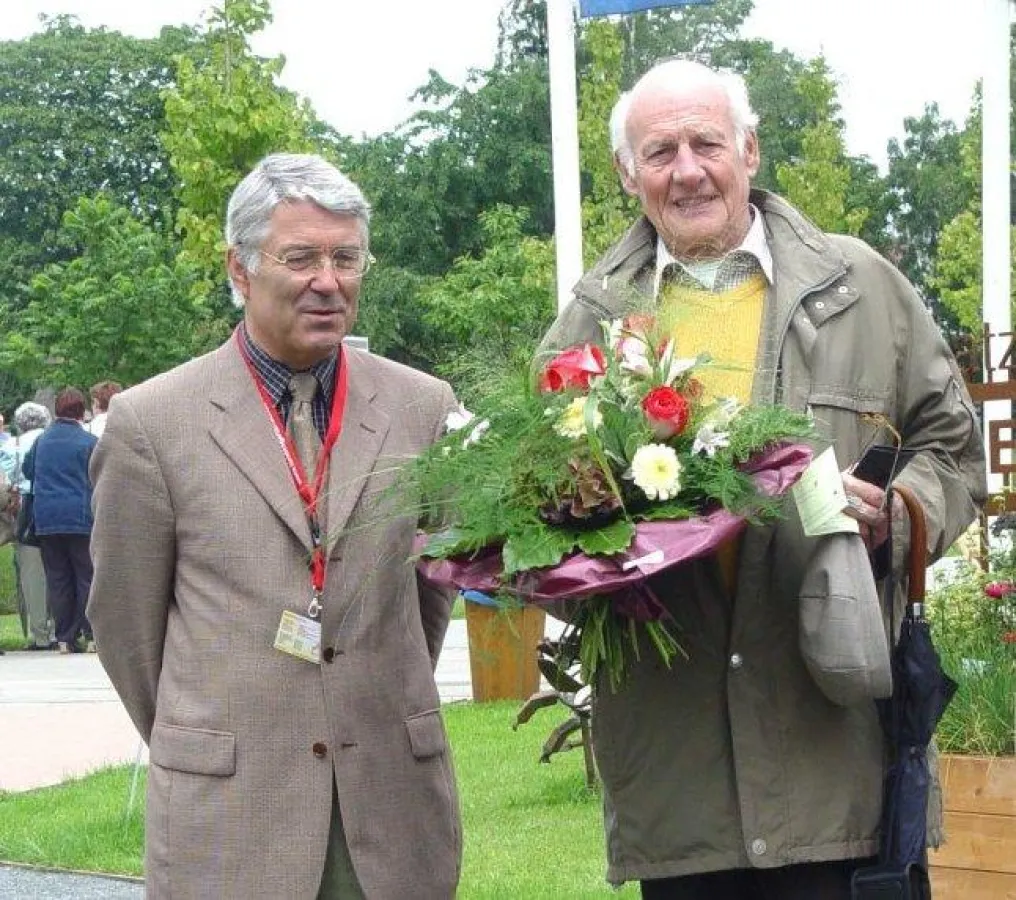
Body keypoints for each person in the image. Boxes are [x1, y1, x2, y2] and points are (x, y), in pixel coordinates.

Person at [538, 60, 986, 900]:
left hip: (838, 751)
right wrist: (580, 545)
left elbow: (955, 448)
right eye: (660, 151)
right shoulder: (587, 328)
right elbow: (538, 530)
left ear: (749, 150)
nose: (687, 169)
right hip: (683, 781)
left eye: (707, 142)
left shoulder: (860, 288)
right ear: (629, 176)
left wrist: (901, 512)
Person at [87, 153, 462, 899]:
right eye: (301, 257)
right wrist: (217, 730)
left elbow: (433, 590)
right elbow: (127, 629)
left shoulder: (422, 407)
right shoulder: (152, 423)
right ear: (241, 266)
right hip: (231, 817)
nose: (329, 280)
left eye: (346, 257)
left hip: (390, 808)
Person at [23, 388, 97, 654]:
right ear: (81, 412)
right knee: (86, 575)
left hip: (47, 518)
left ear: (57, 410)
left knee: (58, 578)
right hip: (80, 518)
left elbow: (27, 471)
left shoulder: (41, 441)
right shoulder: (89, 442)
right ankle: (91, 635)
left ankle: (65, 637)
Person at [12, 402, 56, 650]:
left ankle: (40, 634)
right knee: (58, 571)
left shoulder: (14, 445)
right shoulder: (50, 439)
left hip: (25, 512)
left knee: (32, 575)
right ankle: (61, 628)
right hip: (51, 508)